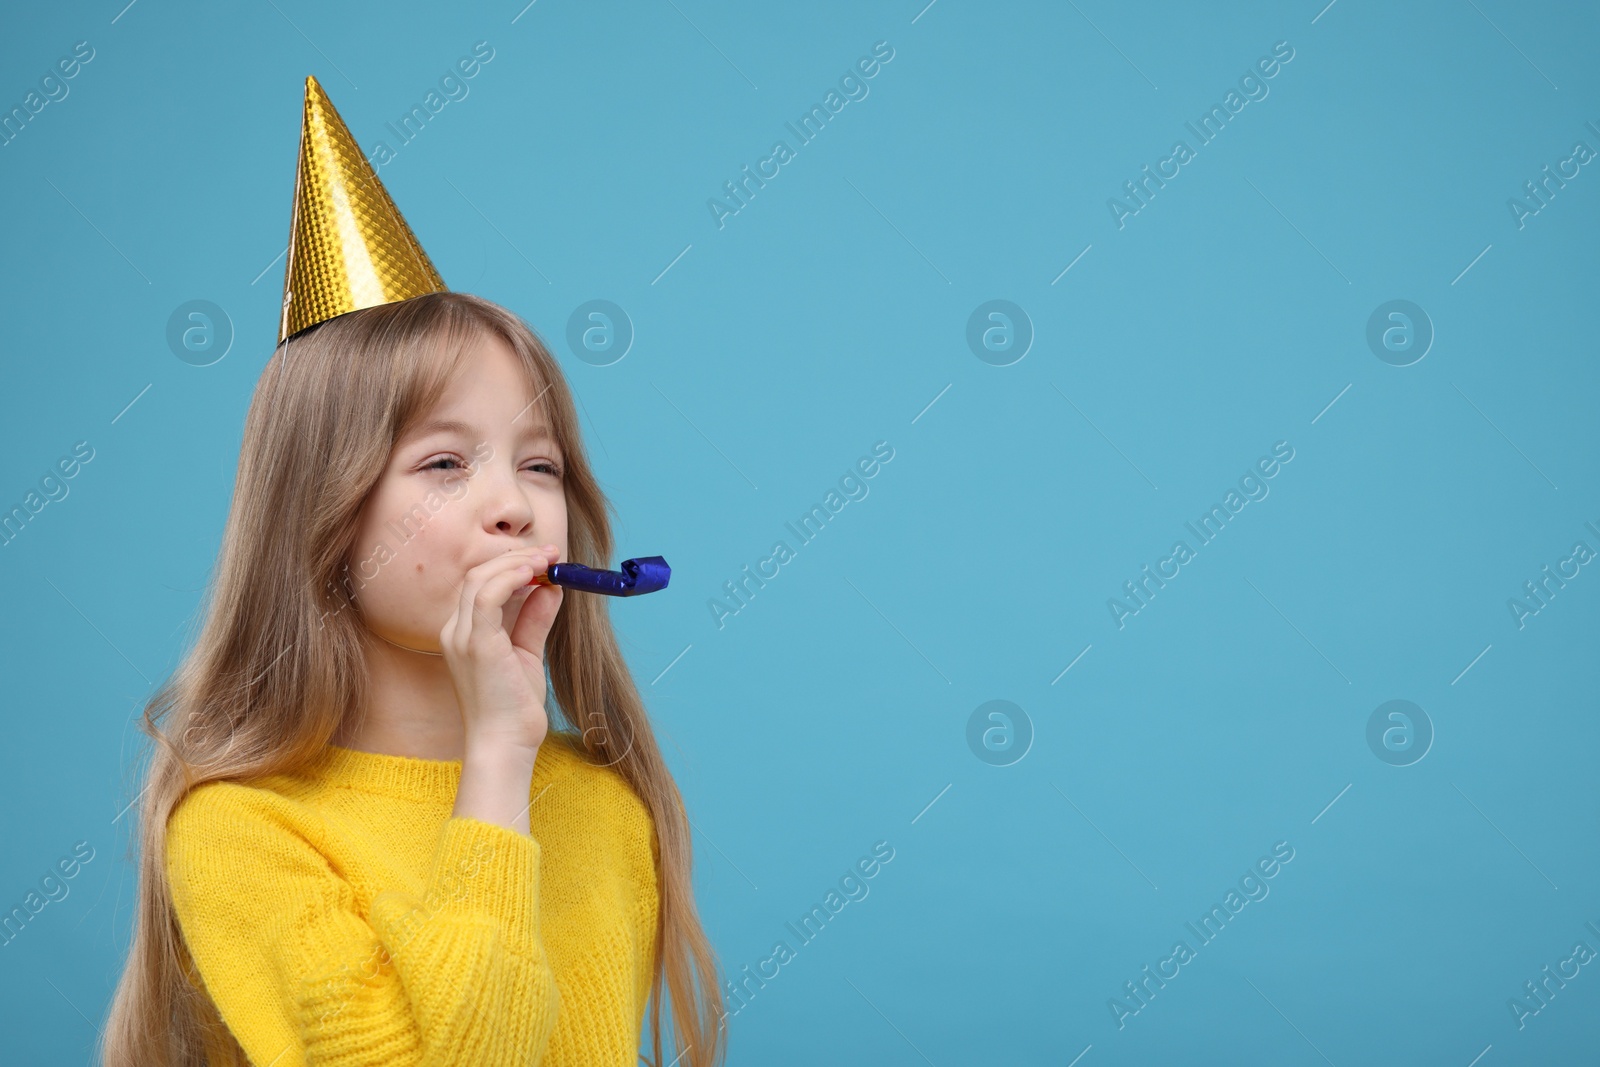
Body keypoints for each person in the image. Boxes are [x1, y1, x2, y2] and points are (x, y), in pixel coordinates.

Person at [99, 76, 727, 1067]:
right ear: (322, 516)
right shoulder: (241, 830)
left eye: (539, 462)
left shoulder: (605, 809)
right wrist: (495, 760)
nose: (514, 503)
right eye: (444, 462)